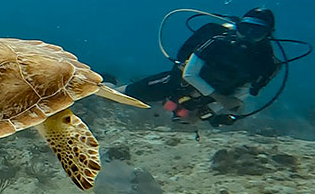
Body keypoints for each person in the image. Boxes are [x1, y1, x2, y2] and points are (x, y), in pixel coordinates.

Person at [119, 7, 281, 126]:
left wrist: (211, 110)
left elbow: (242, 93)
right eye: (245, 29)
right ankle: (109, 83)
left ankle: (170, 109)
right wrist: (220, 99)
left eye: (257, 32)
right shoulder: (217, 41)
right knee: (122, 94)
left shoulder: (266, 63)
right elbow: (189, 74)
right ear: (238, 26)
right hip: (178, 85)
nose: (248, 36)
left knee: (182, 118)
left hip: (205, 99)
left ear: (268, 34)